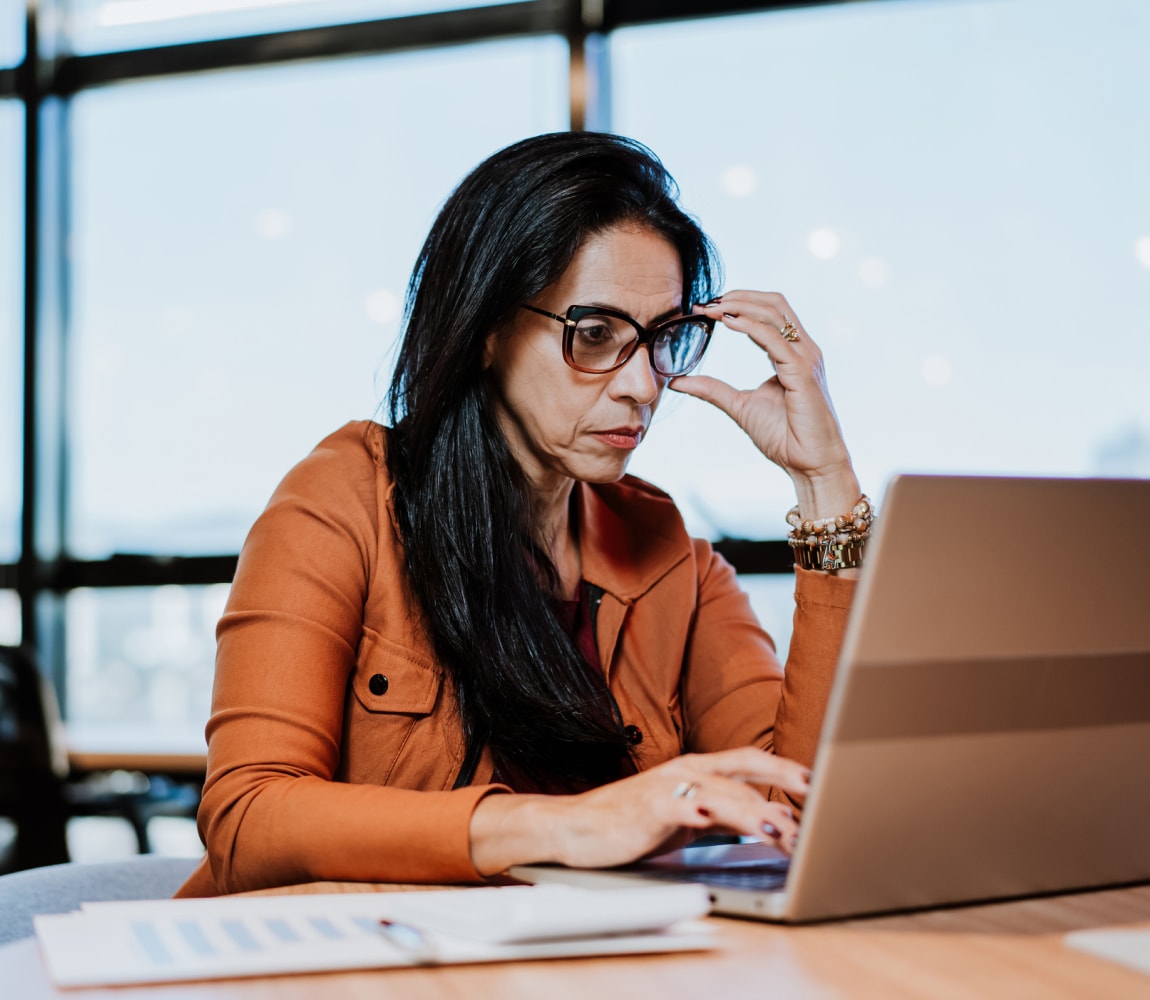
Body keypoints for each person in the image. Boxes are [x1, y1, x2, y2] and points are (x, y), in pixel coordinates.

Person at [176, 131, 868, 897]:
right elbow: (247, 817)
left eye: (663, 339)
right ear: (487, 330)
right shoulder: (347, 500)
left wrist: (824, 479)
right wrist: (568, 826)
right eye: (596, 334)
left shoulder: (673, 559)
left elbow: (793, 811)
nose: (643, 385)